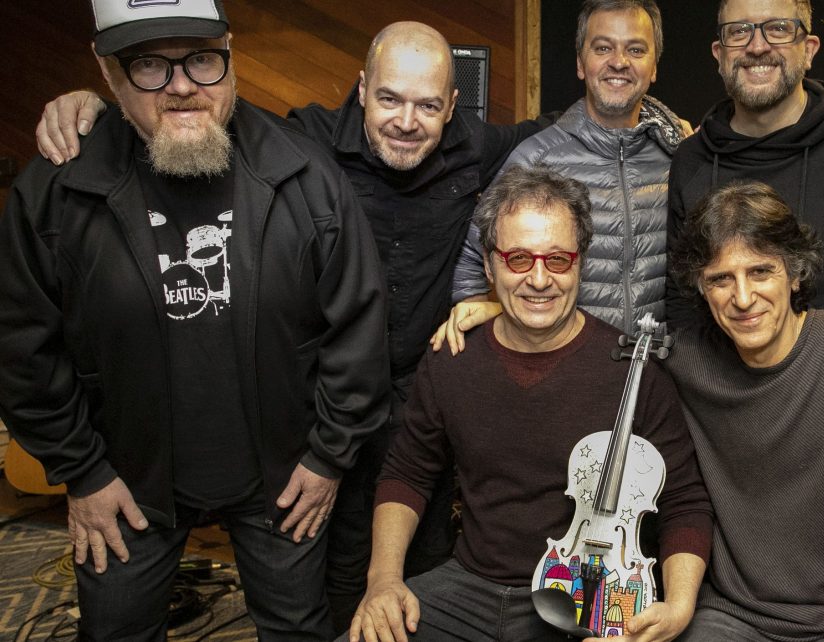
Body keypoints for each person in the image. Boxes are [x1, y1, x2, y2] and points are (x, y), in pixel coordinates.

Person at [35, 21, 556, 624]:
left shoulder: (480, 145)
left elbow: (565, 127)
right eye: (389, 99)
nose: (407, 121)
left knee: (424, 555)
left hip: (421, 396)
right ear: (361, 89)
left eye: (428, 106)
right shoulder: (302, 141)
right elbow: (193, 112)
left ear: (453, 104)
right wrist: (95, 107)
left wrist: (499, 298)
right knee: (331, 569)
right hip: (326, 401)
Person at [0, 1, 391, 640]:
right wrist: (83, 471)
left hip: (283, 478)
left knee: (298, 629)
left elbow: (358, 327)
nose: (182, 86)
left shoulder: (305, 172)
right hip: (122, 480)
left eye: (202, 60)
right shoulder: (57, 188)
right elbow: (22, 345)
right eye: (149, 65)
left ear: (230, 52)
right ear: (109, 71)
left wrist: (328, 457)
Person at [431, 180, 824, 641]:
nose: (743, 298)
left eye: (761, 271)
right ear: (701, 289)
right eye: (720, 279)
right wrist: (501, 308)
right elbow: (582, 337)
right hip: (732, 619)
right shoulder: (677, 361)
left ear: (796, 274)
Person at [347, 165, 712, 642]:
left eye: (557, 259)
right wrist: (383, 581)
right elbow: (407, 473)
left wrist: (679, 607)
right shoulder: (452, 358)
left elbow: (684, 501)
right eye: (518, 259)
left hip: (584, 593)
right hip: (468, 588)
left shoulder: (633, 370)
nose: (539, 279)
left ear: (580, 263)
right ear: (489, 264)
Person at [665, 0, 824, 359]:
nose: (757, 46)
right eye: (739, 31)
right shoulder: (691, 160)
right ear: (719, 55)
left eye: (778, 28)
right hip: (726, 385)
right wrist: (697, 373)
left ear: (809, 49)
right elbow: (681, 293)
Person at [449, 0, 684, 335]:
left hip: (656, 362)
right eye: (603, 48)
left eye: (635, 49)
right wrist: (482, 326)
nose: (619, 62)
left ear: (654, 67)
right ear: (580, 63)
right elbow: (470, 257)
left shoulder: (678, 155)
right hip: (567, 361)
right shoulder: (535, 159)